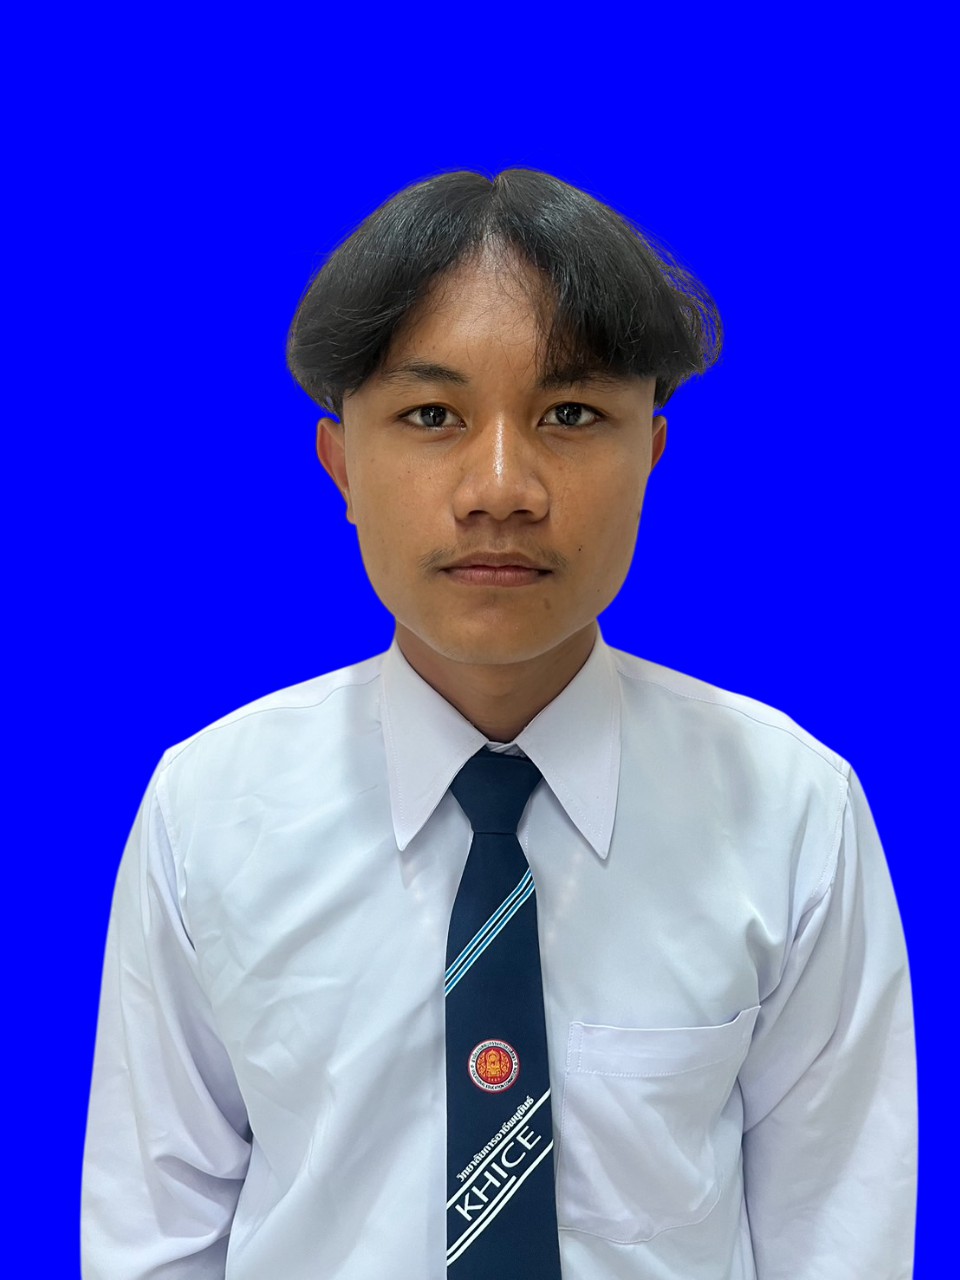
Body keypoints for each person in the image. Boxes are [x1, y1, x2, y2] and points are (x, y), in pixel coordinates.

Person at [80, 168, 917, 1279]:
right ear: (341, 463)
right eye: (432, 416)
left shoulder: (792, 812)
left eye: (570, 415)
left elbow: (840, 1239)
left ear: (650, 455)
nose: (501, 487)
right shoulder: (209, 811)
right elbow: (155, 1236)